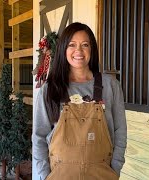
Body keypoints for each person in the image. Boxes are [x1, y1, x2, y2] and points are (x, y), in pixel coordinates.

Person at [32, 22, 127, 180]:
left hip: (102, 175)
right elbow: (39, 136)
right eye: (72, 45)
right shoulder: (50, 89)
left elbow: (120, 131)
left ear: (92, 49)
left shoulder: (110, 86)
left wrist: (115, 169)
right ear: (64, 49)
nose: (79, 51)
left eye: (85, 45)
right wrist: (45, 175)